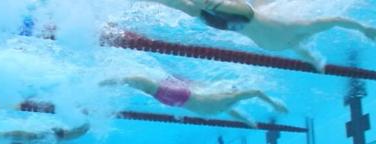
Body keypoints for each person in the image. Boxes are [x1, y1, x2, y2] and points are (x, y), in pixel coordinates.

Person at [137, 0, 376, 71]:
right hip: (231, 26)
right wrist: (314, 61)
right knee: (189, 8)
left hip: (245, 16)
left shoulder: (299, 27)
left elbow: (333, 21)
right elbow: (302, 51)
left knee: (199, 3)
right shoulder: (278, 47)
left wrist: (364, 28)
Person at [100, 76, 287, 127]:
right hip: (177, 102)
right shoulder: (225, 104)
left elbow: (256, 91)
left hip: (181, 96)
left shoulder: (228, 99)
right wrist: (248, 121)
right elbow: (235, 111)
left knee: (141, 82)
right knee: (144, 85)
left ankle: (106, 81)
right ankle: (109, 82)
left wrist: (273, 104)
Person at [0, 123, 90, 144]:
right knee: (32, 137)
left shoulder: (70, 134)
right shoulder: (61, 135)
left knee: (32, 138)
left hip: (56, 135)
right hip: (55, 135)